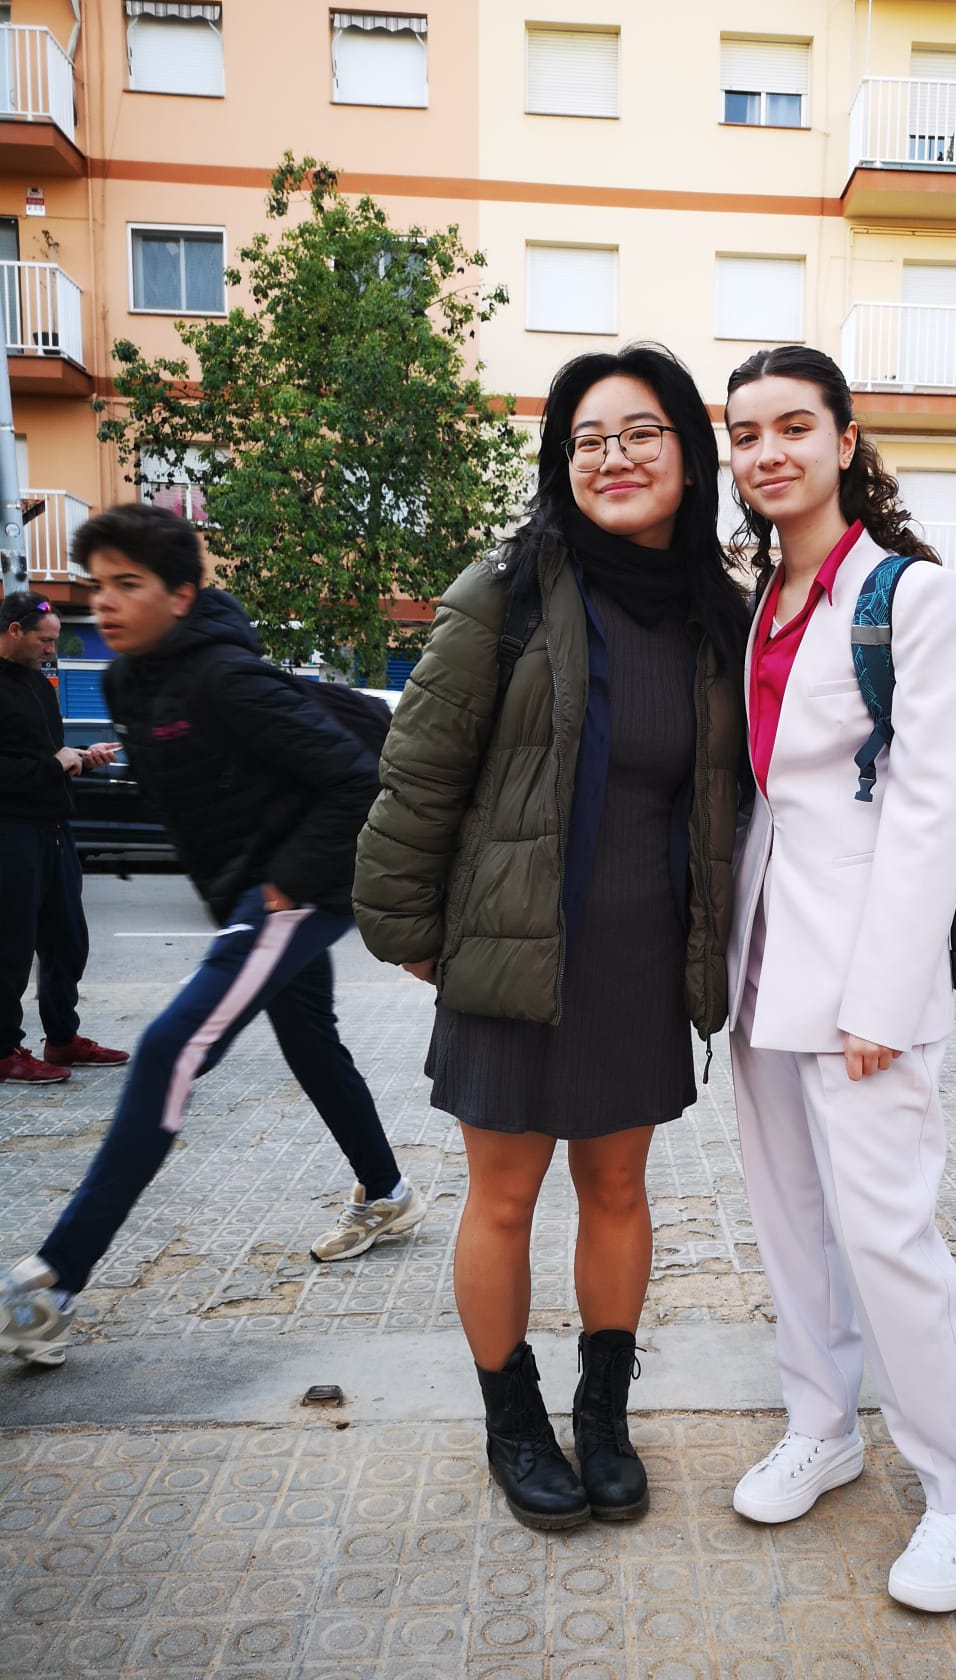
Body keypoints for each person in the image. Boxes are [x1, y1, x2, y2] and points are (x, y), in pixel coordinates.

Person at [354, 343, 747, 1531]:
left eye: (639, 434)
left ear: (688, 456)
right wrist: (406, 922)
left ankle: (605, 1415)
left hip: (641, 953)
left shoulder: (716, 613)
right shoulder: (509, 587)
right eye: (587, 440)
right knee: (505, 1198)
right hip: (516, 942)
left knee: (618, 1188)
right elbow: (420, 765)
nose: (611, 457)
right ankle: (513, 1420)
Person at [721, 345, 956, 1613]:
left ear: (845, 442)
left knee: (889, 1239)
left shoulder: (914, 595)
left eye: (794, 426)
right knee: (789, 1219)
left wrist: (882, 1001)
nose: (767, 452)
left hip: (863, 979)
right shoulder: (760, 599)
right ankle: (822, 1426)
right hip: (763, 963)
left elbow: (934, 812)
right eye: (746, 434)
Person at [0, 505, 416, 1369]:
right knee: (311, 1043)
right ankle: (388, 1191)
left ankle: (54, 1283)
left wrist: (278, 889)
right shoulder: (129, 684)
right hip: (252, 892)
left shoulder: (226, 679)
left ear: (182, 595)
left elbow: (358, 781)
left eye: (128, 585)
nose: (104, 603)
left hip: (291, 894)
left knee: (169, 1050)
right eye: (97, 585)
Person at [0, 591, 129, 1085]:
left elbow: (43, 755)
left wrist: (79, 758)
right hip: (12, 832)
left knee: (67, 941)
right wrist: (53, 764)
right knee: (11, 945)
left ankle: (62, 1038)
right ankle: (4, 1050)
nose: (52, 650)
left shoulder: (37, 683)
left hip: (54, 829)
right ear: (15, 631)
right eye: (45, 640)